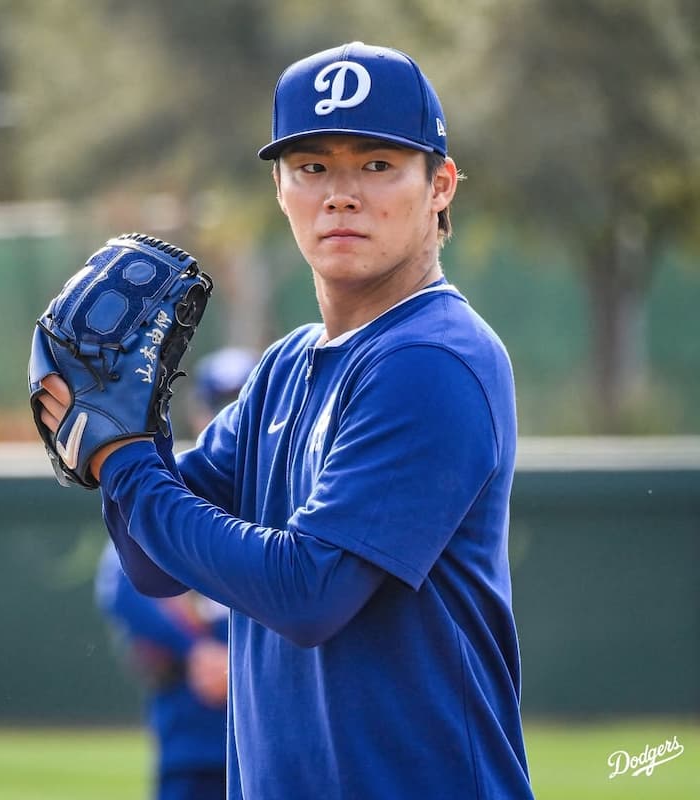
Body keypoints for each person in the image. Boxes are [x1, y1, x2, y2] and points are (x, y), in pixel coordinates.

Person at [39, 42, 534, 799]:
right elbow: (153, 565)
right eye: (312, 167)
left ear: (440, 185)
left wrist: (127, 460)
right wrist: (134, 435)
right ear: (279, 188)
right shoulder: (284, 367)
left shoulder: (434, 358)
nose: (341, 194)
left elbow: (309, 593)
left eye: (377, 164)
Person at [94, 348, 259, 800]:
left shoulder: (285, 491)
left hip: (271, 742)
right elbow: (121, 586)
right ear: (198, 411)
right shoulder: (181, 489)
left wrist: (236, 665)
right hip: (192, 735)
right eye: (219, 402)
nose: (227, 414)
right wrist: (195, 651)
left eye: (239, 403)